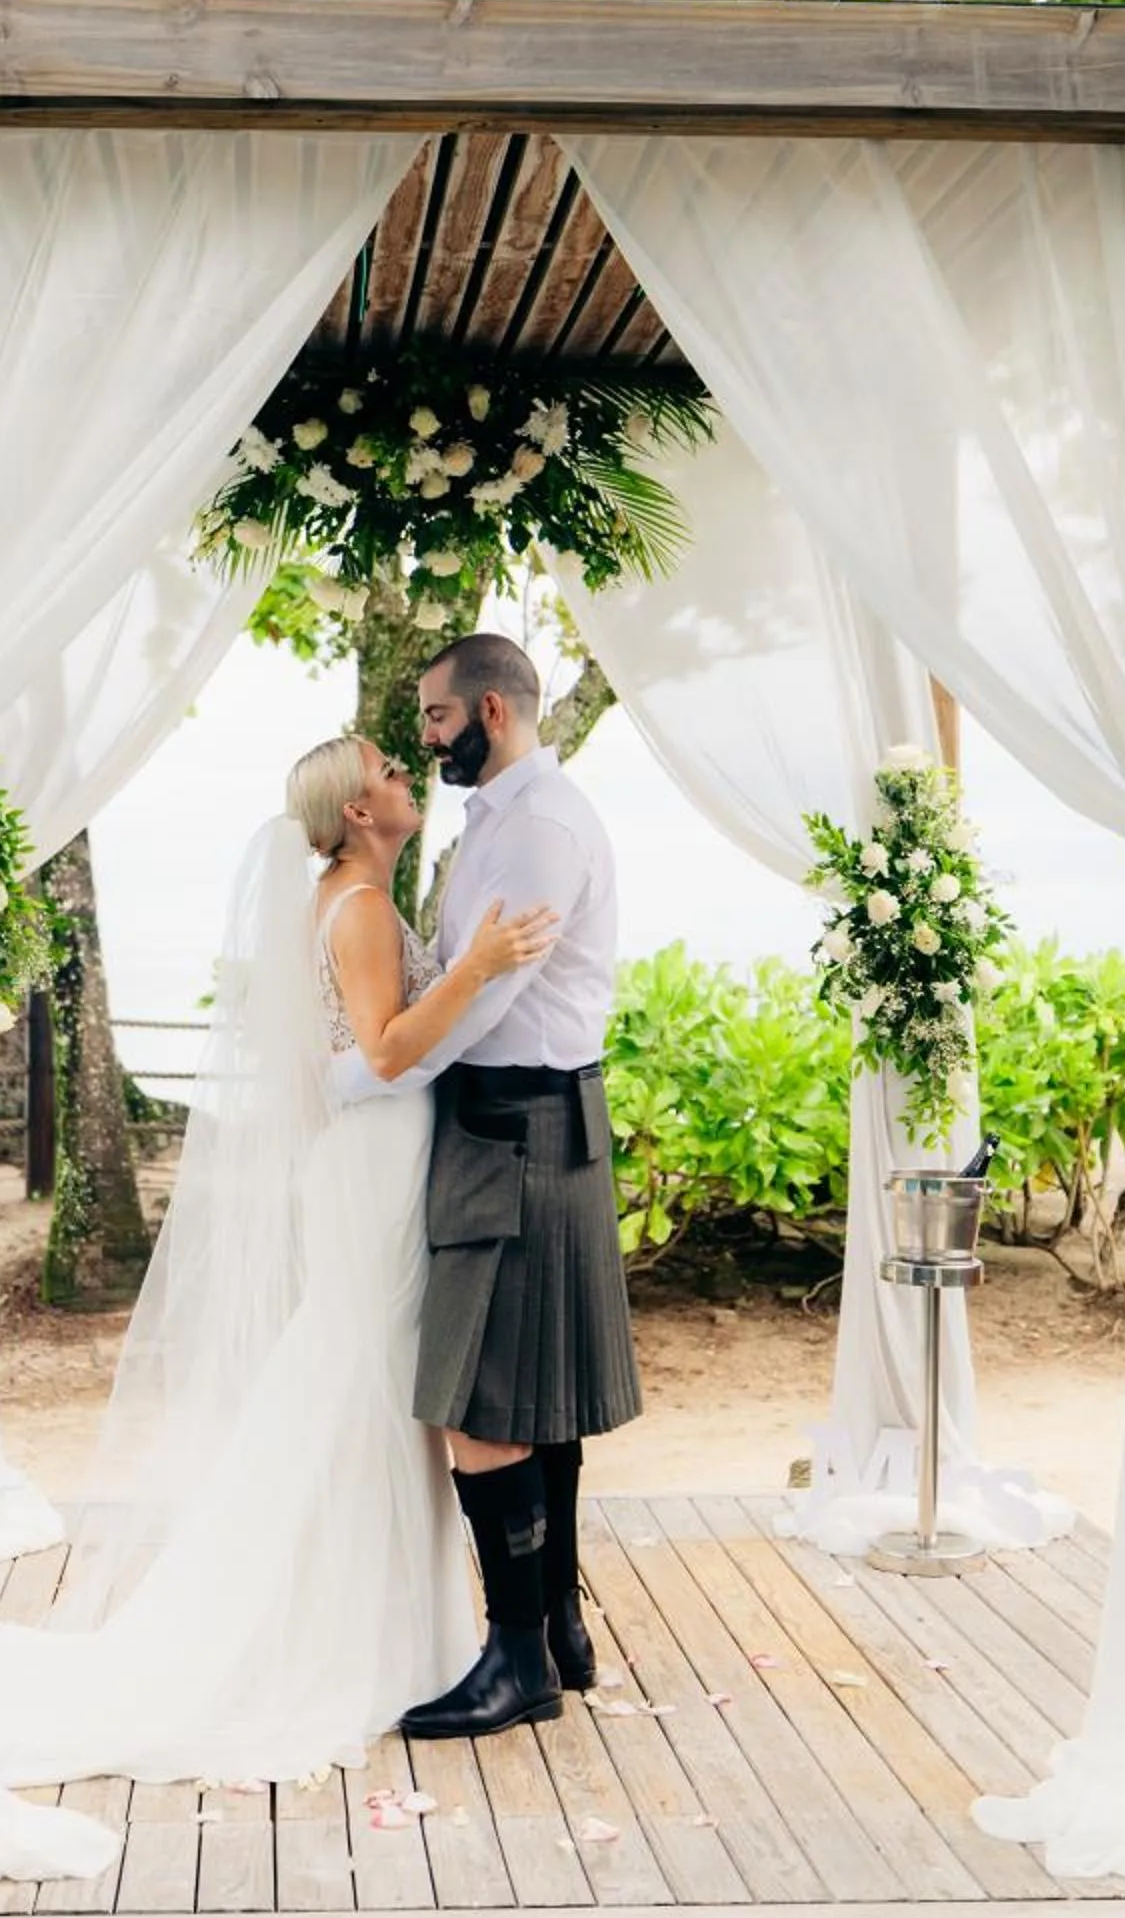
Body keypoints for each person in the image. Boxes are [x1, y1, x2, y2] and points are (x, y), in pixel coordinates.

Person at [0, 737, 554, 1786]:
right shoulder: (363, 908)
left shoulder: (333, 899)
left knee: (360, 1376)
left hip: (361, 1160)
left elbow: (334, 1056)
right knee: (366, 1380)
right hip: (379, 1164)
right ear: (358, 811)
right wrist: (477, 965)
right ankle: (356, 1637)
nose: (400, 774)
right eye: (385, 768)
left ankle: (382, 1628)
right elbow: (383, 1050)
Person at [358, 632, 642, 1741]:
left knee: (484, 1406)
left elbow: (480, 1002)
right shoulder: (512, 818)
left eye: (431, 717)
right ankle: (559, 1631)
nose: (422, 737)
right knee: (538, 1402)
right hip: (531, 1118)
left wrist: (383, 1063)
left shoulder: (539, 828)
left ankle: (518, 1656)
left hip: (514, 1123)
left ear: (487, 712)